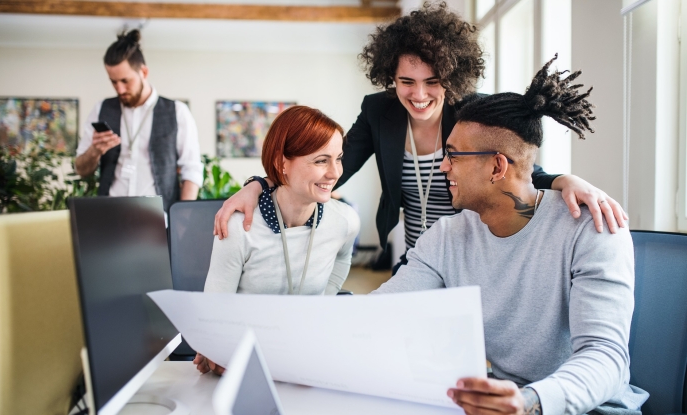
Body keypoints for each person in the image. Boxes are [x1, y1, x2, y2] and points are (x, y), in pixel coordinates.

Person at [212, 3, 627, 274]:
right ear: (389, 79)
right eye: (406, 82)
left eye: (433, 81)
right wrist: (260, 184)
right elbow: (325, 167)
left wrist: (563, 181)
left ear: (451, 76)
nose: (420, 94)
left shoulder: (471, 113)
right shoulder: (379, 111)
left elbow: (516, 168)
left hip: (474, 255)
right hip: (417, 258)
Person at [374, 56, 648, 415]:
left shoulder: (592, 230)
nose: (443, 167)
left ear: (497, 166)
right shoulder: (446, 237)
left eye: (453, 156)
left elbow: (606, 358)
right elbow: (381, 312)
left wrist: (531, 401)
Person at [194, 106, 360, 375]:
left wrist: (323, 302)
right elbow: (215, 311)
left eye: (338, 158)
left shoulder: (344, 221)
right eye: (321, 161)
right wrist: (215, 347)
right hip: (248, 358)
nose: (334, 172)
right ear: (282, 162)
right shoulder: (240, 227)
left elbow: (342, 258)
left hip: (306, 358)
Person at [75, 29, 203, 212]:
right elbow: (81, 169)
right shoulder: (100, 109)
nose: (119, 89)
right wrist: (94, 151)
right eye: (113, 82)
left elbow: (192, 171)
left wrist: (182, 220)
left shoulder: (178, 112)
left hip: (159, 219)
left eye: (125, 81)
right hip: (109, 217)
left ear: (144, 71)